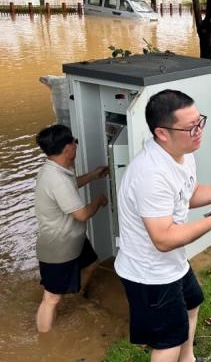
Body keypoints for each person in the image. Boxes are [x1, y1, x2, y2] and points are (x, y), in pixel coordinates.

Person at [114, 89, 211, 362]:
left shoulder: (183, 153)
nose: (199, 131)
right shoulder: (151, 175)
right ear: (162, 133)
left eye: (200, 121)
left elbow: (190, 194)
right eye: (191, 127)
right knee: (168, 342)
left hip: (171, 263)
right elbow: (163, 239)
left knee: (192, 303)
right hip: (149, 273)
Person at [34, 124, 109, 332]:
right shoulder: (57, 179)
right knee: (51, 298)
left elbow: (69, 186)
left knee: (91, 264)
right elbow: (82, 214)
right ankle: (45, 339)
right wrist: (99, 201)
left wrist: (93, 175)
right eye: (74, 142)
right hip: (58, 247)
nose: (76, 145)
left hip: (73, 239)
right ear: (68, 148)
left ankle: (76, 299)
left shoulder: (54, 169)